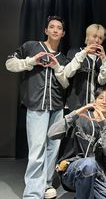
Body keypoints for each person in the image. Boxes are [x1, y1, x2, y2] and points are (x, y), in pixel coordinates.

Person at [5, 16, 69, 199]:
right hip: (36, 106)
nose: (55, 30)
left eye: (59, 28)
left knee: (53, 148)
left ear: (63, 34)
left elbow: (65, 83)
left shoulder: (62, 58)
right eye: (52, 27)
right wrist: (31, 61)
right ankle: (33, 193)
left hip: (57, 107)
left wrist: (57, 67)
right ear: (46, 30)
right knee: (37, 149)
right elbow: (9, 64)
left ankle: (47, 184)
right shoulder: (32, 46)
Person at [47, 86, 106, 199]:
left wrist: (104, 125)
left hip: (98, 174)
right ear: (94, 101)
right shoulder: (80, 118)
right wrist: (75, 114)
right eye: (100, 98)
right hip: (72, 169)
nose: (104, 101)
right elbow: (52, 134)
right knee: (89, 164)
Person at [64, 24, 106, 111]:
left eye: (100, 38)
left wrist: (104, 60)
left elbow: (102, 82)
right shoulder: (75, 52)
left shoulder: (100, 58)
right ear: (87, 36)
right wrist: (84, 52)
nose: (97, 40)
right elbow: (67, 73)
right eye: (94, 36)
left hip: (94, 106)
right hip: (75, 105)